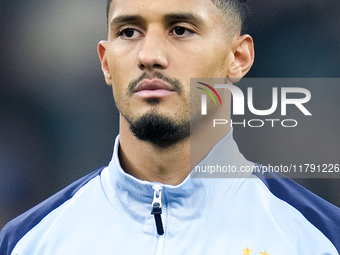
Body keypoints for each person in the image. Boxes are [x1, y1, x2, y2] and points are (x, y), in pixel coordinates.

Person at [1, 0, 340, 254]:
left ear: (238, 58)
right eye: (129, 32)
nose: (149, 55)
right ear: (105, 62)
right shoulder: (26, 243)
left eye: (180, 30)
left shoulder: (319, 238)